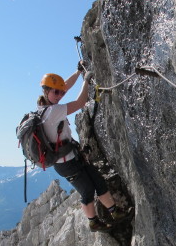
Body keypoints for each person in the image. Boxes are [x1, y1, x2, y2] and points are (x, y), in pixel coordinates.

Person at [37, 65, 131, 232]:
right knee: (87, 191)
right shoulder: (53, 111)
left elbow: (63, 86)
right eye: (55, 92)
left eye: (60, 92)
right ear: (46, 91)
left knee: (98, 181)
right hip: (66, 163)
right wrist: (86, 80)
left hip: (71, 157)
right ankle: (93, 222)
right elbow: (80, 103)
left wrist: (78, 72)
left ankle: (115, 212)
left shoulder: (44, 108)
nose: (59, 95)